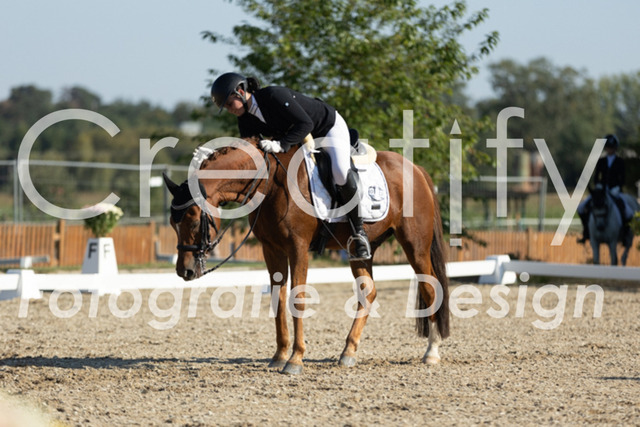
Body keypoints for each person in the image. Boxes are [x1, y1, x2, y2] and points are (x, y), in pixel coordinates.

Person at [210, 72, 371, 261]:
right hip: (298, 138)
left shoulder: (273, 96)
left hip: (326, 128)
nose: (229, 110)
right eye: (226, 107)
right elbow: (250, 154)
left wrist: (281, 144)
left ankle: (359, 232)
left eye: (229, 104)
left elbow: (305, 124)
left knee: (340, 172)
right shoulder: (245, 119)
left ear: (240, 91)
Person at [577, 134, 630, 243]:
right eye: (608, 147)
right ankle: (586, 231)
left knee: (628, 212)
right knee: (581, 207)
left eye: (612, 147)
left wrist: (617, 187)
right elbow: (597, 177)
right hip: (601, 191)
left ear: (615, 148)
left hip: (615, 191)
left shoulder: (620, 161)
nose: (610, 149)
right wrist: (599, 186)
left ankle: (624, 234)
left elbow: (623, 179)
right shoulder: (601, 161)